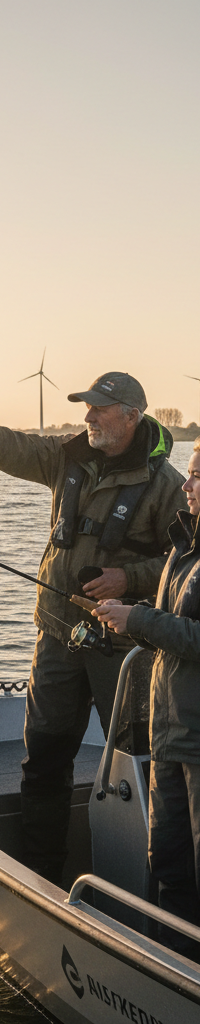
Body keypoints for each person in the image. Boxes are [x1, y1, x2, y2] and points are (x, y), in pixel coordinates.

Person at [0, 370, 186, 884]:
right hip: (56, 636)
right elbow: (11, 447)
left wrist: (130, 577)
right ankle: (42, 878)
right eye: (87, 406)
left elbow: (187, 565)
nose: (88, 416)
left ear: (132, 416)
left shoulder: (168, 486)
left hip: (123, 651)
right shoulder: (65, 455)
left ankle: (154, 887)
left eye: (99, 408)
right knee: (43, 758)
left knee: (138, 766)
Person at [93, 437, 200, 958]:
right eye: (190, 473)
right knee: (170, 867)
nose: (187, 485)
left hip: (197, 744)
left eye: (198, 476)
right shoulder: (184, 546)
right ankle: (174, 971)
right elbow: (173, 629)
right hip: (170, 736)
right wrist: (130, 619)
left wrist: (139, 618)